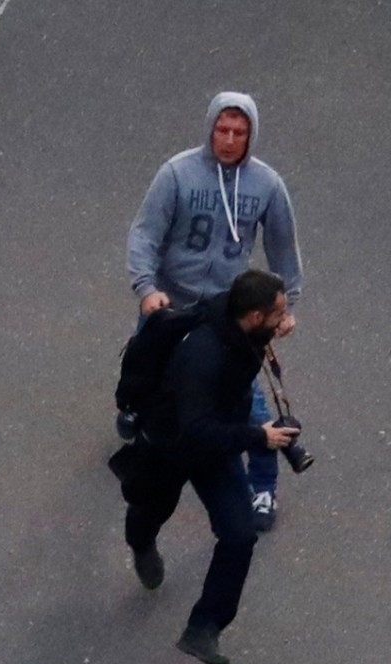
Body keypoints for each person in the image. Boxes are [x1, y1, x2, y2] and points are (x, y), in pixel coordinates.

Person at [127, 91, 303, 531]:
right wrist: (147, 288)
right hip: (172, 299)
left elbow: (284, 249)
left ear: (251, 136)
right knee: (146, 370)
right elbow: (145, 234)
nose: (228, 139)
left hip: (230, 313)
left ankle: (262, 488)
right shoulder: (177, 174)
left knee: (251, 405)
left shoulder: (266, 185)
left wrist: (286, 307)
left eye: (238, 132)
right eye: (222, 130)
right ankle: (136, 410)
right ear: (210, 129)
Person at [121, 270, 300, 664]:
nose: (284, 321)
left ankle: (204, 627)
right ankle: (141, 542)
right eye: (278, 315)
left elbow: (212, 431)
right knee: (148, 512)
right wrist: (258, 437)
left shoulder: (242, 323)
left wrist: (279, 326)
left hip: (218, 442)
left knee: (239, 534)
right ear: (254, 316)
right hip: (171, 445)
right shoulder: (202, 355)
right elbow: (196, 429)